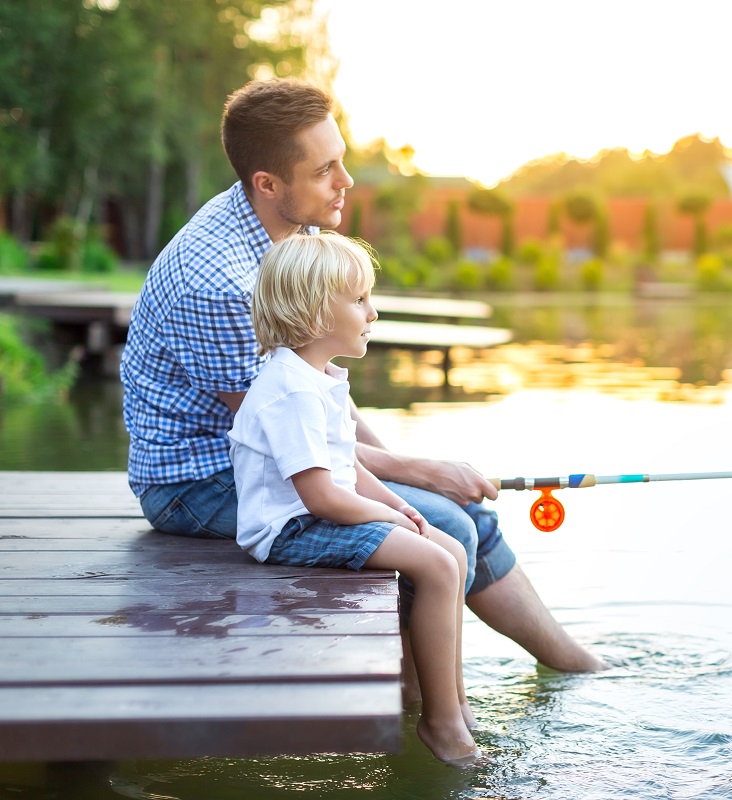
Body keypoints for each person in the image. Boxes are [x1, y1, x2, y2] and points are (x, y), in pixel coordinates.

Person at [119, 77, 605, 689]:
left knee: (459, 512)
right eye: (326, 170)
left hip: (280, 452)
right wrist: (419, 472)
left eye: (341, 161)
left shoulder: (292, 226)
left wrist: (415, 467)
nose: (346, 182)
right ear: (269, 184)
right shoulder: (220, 284)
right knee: (445, 523)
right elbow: (284, 433)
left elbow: (323, 402)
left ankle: (562, 661)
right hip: (199, 479)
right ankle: (420, 711)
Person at [229, 232, 478, 765]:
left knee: (451, 551)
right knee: (435, 566)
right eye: (360, 299)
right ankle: (442, 724)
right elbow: (321, 496)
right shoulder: (291, 389)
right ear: (317, 313)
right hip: (289, 529)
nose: (374, 312)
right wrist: (389, 515)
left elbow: (351, 466)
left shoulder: (318, 379)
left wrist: (401, 506)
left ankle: (449, 699)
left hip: (321, 512)